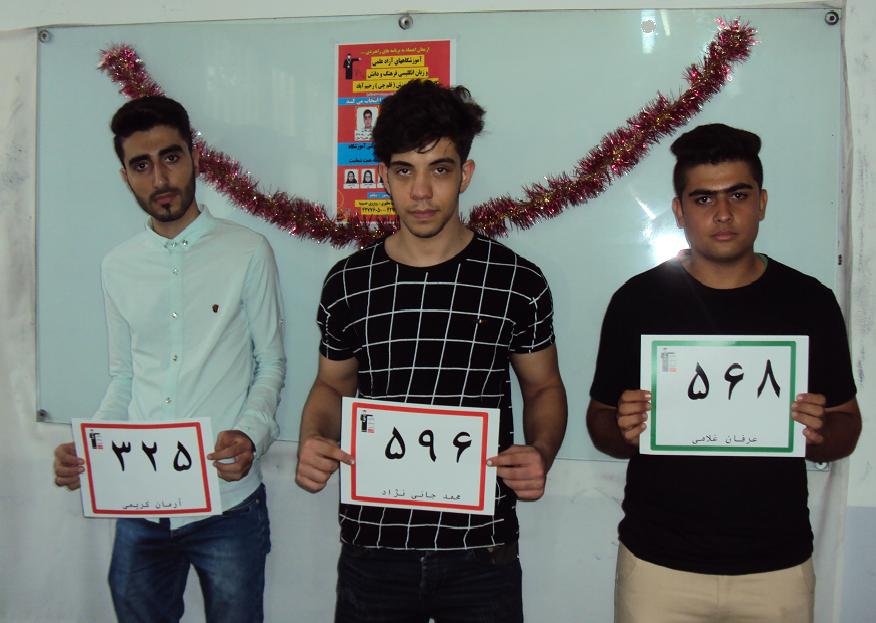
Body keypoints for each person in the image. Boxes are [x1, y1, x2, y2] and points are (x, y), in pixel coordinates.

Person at [295, 79, 568, 622]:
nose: (421, 192)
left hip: (481, 550)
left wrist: (541, 451)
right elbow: (332, 385)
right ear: (383, 177)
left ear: (465, 174)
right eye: (404, 171)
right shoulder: (348, 282)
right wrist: (313, 440)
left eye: (439, 170)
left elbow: (543, 387)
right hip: (374, 548)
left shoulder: (516, 281)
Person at [587, 123, 861, 623]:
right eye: (703, 198)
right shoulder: (637, 300)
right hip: (657, 566)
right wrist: (622, 427)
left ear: (762, 202)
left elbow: (847, 426)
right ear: (679, 211)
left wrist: (820, 431)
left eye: (738, 194)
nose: (722, 213)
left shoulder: (809, 302)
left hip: (776, 570)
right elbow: (600, 420)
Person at [52, 95, 286, 623]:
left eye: (171, 157)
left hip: (226, 502)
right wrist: (92, 446)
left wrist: (250, 435)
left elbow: (270, 363)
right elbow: (125, 377)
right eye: (141, 165)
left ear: (194, 158)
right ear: (125, 177)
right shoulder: (117, 266)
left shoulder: (248, 251)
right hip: (140, 502)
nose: (159, 178)